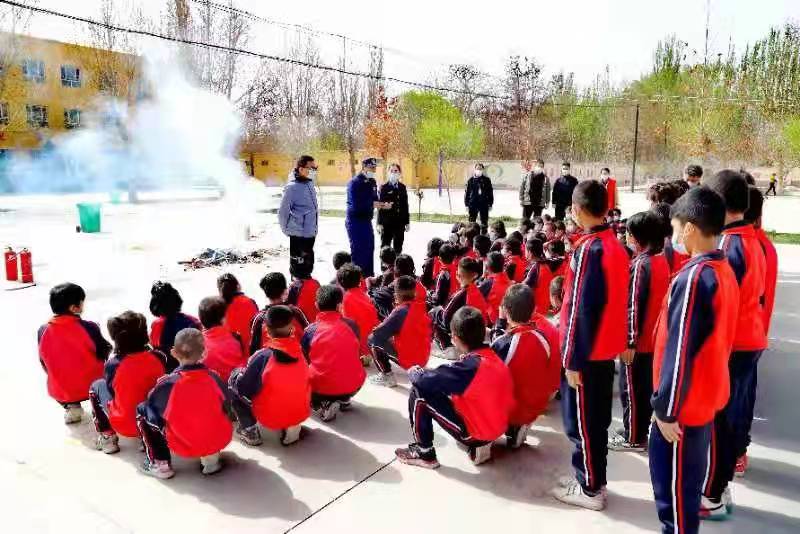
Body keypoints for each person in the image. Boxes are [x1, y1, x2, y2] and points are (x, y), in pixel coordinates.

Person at [649, 186, 738, 534]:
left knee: (674, 500)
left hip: (682, 411)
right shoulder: (721, 270)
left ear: (688, 228)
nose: (673, 238)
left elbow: (681, 349)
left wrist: (666, 409)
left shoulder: (695, 278)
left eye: (674, 229)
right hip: (701, 401)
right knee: (684, 491)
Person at [550, 180, 630, 511]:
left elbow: (579, 308)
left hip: (586, 353)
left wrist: (571, 359)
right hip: (603, 350)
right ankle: (594, 480)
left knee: (581, 425)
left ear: (577, 210)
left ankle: (590, 488)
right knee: (595, 422)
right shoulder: (614, 245)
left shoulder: (589, 250)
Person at [701, 170, 767, 518]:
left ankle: (711, 495)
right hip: (748, 339)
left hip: (732, 344)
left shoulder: (727, 246)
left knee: (717, 421)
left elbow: (720, 303)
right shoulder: (752, 240)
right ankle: (719, 484)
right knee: (728, 418)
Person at [394, 307, 514, 469]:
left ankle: (425, 453)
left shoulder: (468, 368)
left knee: (418, 392)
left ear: (455, 338)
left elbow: (424, 381)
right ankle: (481, 440)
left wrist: (414, 371)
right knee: (446, 386)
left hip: (479, 434)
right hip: (498, 426)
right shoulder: (492, 356)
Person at [608, 212, 670, 452]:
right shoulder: (661, 260)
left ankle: (633, 437)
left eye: (628, 234)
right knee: (643, 390)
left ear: (637, 237)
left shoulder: (641, 265)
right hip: (654, 341)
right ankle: (636, 429)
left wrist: (629, 342)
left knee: (632, 392)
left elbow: (633, 306)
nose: (626, 237)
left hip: (640, 343)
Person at [137, 328, 234, 479]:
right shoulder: (214, 377)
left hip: (184, 445)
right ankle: (211, 460)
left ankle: (160, 463)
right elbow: (227, 406)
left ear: (173, 353)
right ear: (204, 353)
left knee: (143, 409)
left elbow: (152, 402)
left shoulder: (168, 383)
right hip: (219, 439)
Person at [229, 305, 311, 447]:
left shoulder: (262, 356)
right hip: (301, 411)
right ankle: (293, 425)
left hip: (270, 418)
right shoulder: (301, 351)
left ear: (266, 329)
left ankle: (249, 430)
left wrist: (238, 373)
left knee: (233, 383)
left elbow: (244, 388)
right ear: (292, 328)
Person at [490, 284, 560, 449]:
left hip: (515, 408)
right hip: (537, 404)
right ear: (534, 310)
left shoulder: (504, 343)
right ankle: (518, 425)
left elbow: (490, 362)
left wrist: (499, 323)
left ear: (506, 311)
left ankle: (505, 429)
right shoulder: (542, 337)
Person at [89, 311, 165, 454]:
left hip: (125, 424)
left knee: (97, 386)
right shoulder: (159, 357)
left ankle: (107, 438)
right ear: (144, 334)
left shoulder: (113, 364)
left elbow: (112, 392)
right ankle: (145, 438)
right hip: (154, 421)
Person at [740, 186, 777, 477]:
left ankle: (736, 452)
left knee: (738, 399)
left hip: (744, 336)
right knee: (743, 395)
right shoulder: (761, 244)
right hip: (754, 333)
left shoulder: (749, 245)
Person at [38, 283, 112, 424]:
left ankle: (73, 408)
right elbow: (104, 351)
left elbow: (43, 360)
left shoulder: (43, 330)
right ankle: (100, 406)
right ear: (74, 308)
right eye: (82, 302)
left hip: (62, 389)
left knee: (59, 379)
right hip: (92, 383)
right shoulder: (89, 327)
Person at [301, 285, 366, 422]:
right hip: (355, 384)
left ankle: (324, 405)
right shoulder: (352, 325)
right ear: (339, 306)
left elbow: (305, 360)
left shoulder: (310, 331)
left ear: (316, 305)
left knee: (302, 376)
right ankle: (344, 399)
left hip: (324, 389)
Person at [368, 276, 433, 387]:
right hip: (423, 357)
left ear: (396, 294)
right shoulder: (421, 305)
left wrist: (378, 328)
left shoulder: (400, 311)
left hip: (411, 360)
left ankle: (386, 375)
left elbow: (379, 333)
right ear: (414, 292)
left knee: (372, 339)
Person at [430, 257, 488, 360]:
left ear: (458, 275)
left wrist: (435, 311)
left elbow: (445, 318)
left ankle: (447, 347)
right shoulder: (477, 292)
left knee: (435, 314)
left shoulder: (461, 294)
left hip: (464, 335)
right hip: (478, 333)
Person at [346, 157, 389, 277]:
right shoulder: (355, 183)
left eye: (374, 167)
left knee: (369, 248)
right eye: (371, 167)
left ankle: (369, 276)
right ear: (364, 167)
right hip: (355, 221)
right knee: (359, 250)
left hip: (366, 220)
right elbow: (356, 204)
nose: (373, 170)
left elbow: (375, 199)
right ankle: (357, 278)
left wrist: (383, 204)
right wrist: (373, 204)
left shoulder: (372, 182)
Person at [250, 272, 308, 354]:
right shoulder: (296, 313)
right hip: (299, 358)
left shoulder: (259, 319)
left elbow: (254, 349)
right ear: (285, 291)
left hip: (269, 360)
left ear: (266, 294)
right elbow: (308, 336)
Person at [149, 281, 201, 372]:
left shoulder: (157, 325)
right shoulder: (193, 320)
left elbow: (155, 347)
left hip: (169, 369)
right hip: (193, 366)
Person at [279, 155, 319, 272]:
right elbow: (283, 212)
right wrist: (287, 230)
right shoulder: (291, 187)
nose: (313, 171)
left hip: (310, 233)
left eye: (315, 168)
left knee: (308, 265)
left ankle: (308, 282)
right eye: (311, 168)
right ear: (301, 169)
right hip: (298, 235)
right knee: (298, 267)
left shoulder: (309, 184)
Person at [199, 296, 246, 383]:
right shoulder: (236, 339)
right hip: (235, 387)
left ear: (201, 320)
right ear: (223, 319)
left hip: (210, 388)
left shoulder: (197, 344)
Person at [338, 263, 380, 358]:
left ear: (341, 283)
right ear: (359, 280)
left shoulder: (346, 299)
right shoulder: (364, 295)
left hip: (362, 350)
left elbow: (349, 328)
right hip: (374, 343)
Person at [217, 273, 259, 355]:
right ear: (238, 286)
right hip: (252, 353)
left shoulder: (217, 307)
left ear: (219, 290)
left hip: (228, 354)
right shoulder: (250, 302)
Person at [377, 163, 410, 253]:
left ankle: (397, 262)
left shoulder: (402, 187)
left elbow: (405, 206)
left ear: (399, 173)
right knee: (385, 249)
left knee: (398, 248)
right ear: (388, 172)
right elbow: (380, 206)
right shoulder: (383, 187)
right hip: (387, 223)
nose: (394, 173)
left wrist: (407, 222)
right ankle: (384, 263)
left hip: (399, 223)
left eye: (396, 171)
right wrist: (379, 223)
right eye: (391, 171)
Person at [478, 251, 512, 325]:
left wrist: (483, 276)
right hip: (507, 318)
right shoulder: (507, 279)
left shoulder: (488, 283)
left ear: (488, 268)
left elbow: (475, 293)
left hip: (494, 321)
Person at [286, 253, 321, 323]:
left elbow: (289, 306)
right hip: (317, 322)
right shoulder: (316, 283)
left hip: (304, 324)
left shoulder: (294, 287)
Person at [523, 237, 553, 316]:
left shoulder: (535, 269)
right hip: (545, 306)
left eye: (525, 250)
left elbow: (523, 289)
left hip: (536, 310)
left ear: (530, 253)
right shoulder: (545, 264)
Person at [464, 162, 494, 233]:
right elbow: (467, 193)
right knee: (472, 222)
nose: (479, 170)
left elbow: (490, 192)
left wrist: (490, 203)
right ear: (475, 169)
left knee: (484, 221)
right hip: (473, 204)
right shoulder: (470, 180)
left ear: (483, 170)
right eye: (477, 169)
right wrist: (466, 204)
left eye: (480, 169)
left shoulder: (487, 180)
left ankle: (484, 234)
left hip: (484, 204)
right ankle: (471, 234)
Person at [426, 243, 458, 309]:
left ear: (439, 258)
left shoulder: (443, 275)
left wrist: (430, 293)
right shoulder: (458, 269)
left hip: (446, 306)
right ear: (454, 257)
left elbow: (438, 299)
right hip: (456, 302)